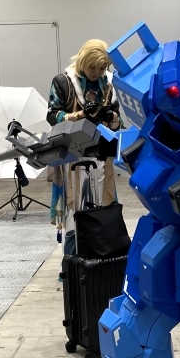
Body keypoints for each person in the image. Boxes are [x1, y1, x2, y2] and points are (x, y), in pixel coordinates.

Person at [46, 39, 122, 255]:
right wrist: (79, 115)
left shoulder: (108, 84)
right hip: (72, 156)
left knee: (103, 206)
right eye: (93, 67)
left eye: (102, 68)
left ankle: (100, 260)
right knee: (74, 212)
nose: (97, 73)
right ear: (83, 61)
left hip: (101, 155)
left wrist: (111, 116)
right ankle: (73, 263)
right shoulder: (63, 82)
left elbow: (118, 121)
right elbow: (52, 115)